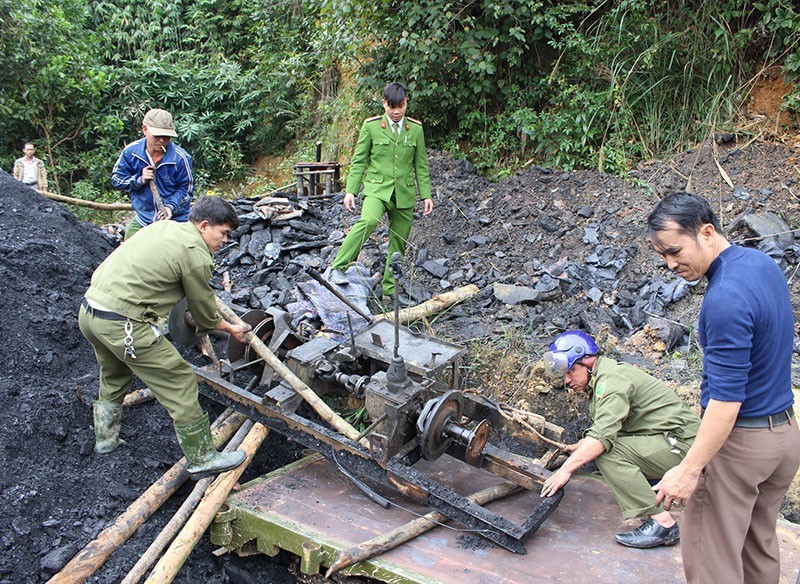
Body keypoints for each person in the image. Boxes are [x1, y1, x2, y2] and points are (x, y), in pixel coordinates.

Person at [647, 192, 800, 583]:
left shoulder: (724, 298)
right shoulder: (761, 265)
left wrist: (689, 468)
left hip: (741, 446)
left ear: (708, 231)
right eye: (662, 255)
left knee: (711, 562)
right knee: (757, 550)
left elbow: (726, 401)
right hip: (783, 436)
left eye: (676, 250)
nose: (670, 264)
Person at [78, 196, 250, 479]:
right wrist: (231, 329)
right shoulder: (195, 254)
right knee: (179, 379)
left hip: (90, 311)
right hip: (124, 324)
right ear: (205, 225)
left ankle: (106, 440)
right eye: (223, 233)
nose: (224, 241)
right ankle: (202, 458)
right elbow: (205, 315)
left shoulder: (164, 228)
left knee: (114, 373)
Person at [540, 330, 700, 548]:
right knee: (599, 448)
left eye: (571, 372)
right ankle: (651, 486)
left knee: (607, 454)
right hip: (670, 440)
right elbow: (609, 426)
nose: (567, 380)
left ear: (587, 361)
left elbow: (603, 437)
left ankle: (663, 524)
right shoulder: (605, 376)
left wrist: (565, 470)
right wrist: (580, 447)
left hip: (682, 446)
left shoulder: (611, 381)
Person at [329, 82, 433, 302]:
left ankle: (389, 290)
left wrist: (426, 195)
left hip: (404, 192)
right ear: (384, 103)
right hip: (377, 189)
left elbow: (420, 165)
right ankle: (338, 267)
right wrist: (351, 191)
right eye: (391, 106)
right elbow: (359, 161)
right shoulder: (372, 127)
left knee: (399, 241)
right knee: (367, 221)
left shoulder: (415, 129)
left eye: (401, 106)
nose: (396, 112)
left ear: (406, 103)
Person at [112, 108, 194, 240]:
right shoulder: (131, 153)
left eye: (166, 137)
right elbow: (117, 179)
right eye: (157, 136)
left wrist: (169, 208)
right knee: (130, 251)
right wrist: (139, 180)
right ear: (145, 129)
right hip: (144, 219)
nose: (161, 140)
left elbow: (186, 190)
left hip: (175, 221)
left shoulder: (180, 158)